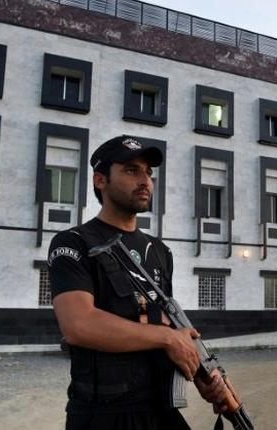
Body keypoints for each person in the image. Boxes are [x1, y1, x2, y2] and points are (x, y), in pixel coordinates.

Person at [49, 136, 227, 429]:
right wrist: (168, 339)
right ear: (100, 180)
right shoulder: (74, 243)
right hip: (103, 416)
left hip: (160, 409)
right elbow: (78, 325)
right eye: (131, 170)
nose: (145, 180)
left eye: (148, 172)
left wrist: (202, 376)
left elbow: (169, 321)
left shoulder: (160, 252)